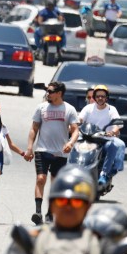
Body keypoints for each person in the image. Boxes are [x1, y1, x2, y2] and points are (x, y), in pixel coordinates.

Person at [24, 80, 80, 225]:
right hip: (42, 150)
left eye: (50, 91)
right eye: (47, 91)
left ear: (59, 93)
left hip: (60, 153)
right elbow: (34, 128)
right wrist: (30, 147)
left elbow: (75, 130)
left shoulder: (69, 109)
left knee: (55, 184)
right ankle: (38, 212)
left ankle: (50, 212)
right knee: (40, 179)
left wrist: (70, 143)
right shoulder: (41, 108)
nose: (47, 94)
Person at [78, 83, 125, 190]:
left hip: (105, 139)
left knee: (113, 146)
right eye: (98, 96)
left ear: (106, 98)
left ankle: (104, 174)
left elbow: (118, 124)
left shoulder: (111, 109)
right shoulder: (88, 108)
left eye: (103, 96)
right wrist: (76, 123)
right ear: (94, 97)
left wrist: (113, 131)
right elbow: (80, 119)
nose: (100, 98)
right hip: (89, 138)